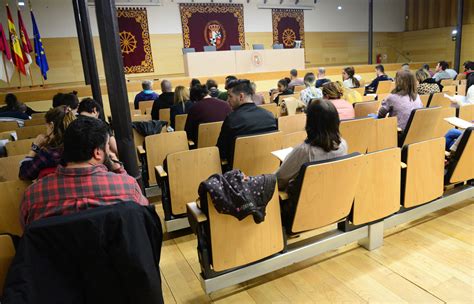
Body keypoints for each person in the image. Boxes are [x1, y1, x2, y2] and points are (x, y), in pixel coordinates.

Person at [20, 117, 148, 226]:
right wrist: (118, 169)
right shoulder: (127, 187)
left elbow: (28, 231)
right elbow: (144, 219)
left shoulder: (32, 196)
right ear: (98, 152)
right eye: (107, 146)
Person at [276, 99, 348, 192]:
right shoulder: (343, 144)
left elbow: (279, 179)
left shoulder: (305, 151)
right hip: (334, 196)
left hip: (304, 202)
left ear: (310, 122)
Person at [216, 79, 277, 164]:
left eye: (230, 96)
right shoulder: (270, 116)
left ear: (241, 96)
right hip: (268, 170)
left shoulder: (232, 119)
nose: (227, 100)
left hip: (239, 174)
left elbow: (221, 152)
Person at [19, 105, 76, 180]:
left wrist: (34, 148)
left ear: (52, 125)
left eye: (46, 127)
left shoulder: (48, 154)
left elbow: (24, 174)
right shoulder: (79, 148)